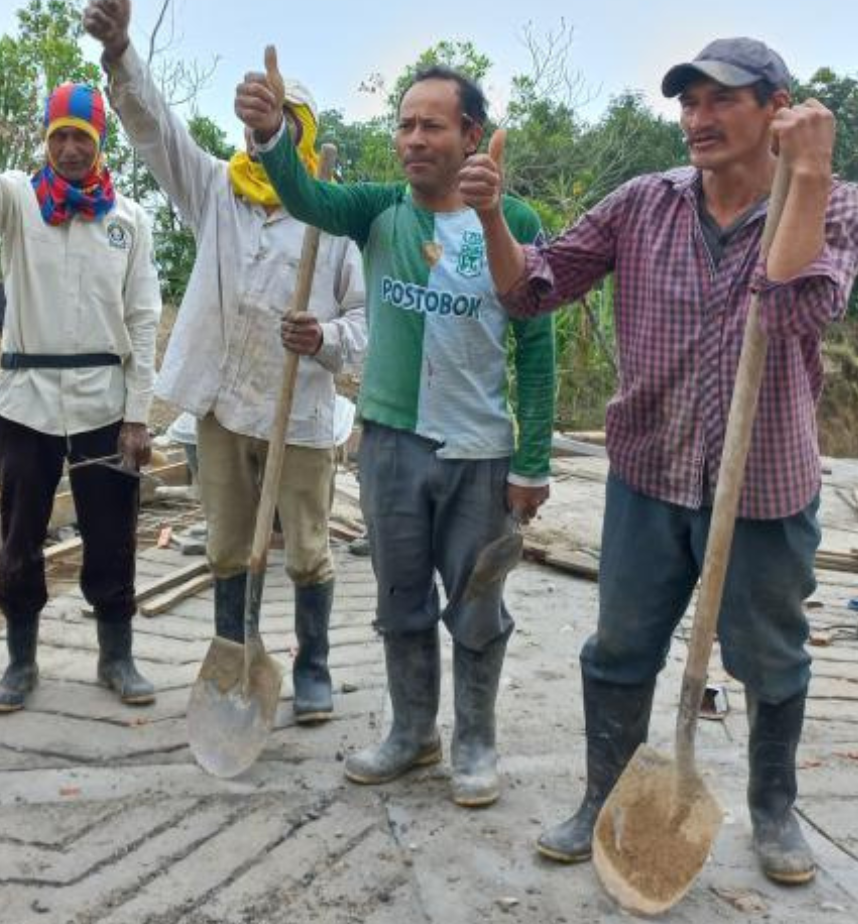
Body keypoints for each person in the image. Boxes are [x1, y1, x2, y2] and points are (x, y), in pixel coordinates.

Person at [498, 39, 858, 883]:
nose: (697, 121)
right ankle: (604, 794)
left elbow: (787, 313)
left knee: (769, 654)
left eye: (720, 102)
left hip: (765, 485)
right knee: (621, 646)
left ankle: (773, 812)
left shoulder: (839, 204)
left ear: (778, 108)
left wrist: (805, 180)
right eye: (688, 103)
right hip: (650, 472)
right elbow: (535, 288)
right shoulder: (644, 203)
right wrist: (493, 221)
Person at [237, 60, 556, 806]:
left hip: (479, 453)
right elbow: (306, 195)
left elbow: (538, 346)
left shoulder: (518, 222)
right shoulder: (380, 210)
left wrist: (533, 461)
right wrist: (271, 135)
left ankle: (475, 739)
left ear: (471, 135)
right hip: (389, 445)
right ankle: (415, 733)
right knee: (399, 598)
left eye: (432, 125)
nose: (413, 139)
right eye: (405, 124)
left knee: (477, 604)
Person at [85, 0, 367, 724]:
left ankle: (314, 669)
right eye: (252, 124)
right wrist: (121, 53)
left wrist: (326, 339)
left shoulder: (331, 217)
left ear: (302, 133)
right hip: (221, 404)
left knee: (306, 549)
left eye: (276, 124)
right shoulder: (217, 190)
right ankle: (233, 660)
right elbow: (156, 131)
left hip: (298, 415)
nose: (256, 137)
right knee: (227, 547)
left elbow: (369, 325)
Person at [0, 84, 162, 712]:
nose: (69, 150)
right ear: (46, 141)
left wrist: (138, 415)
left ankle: (116, 657)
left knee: (111, 532)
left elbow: (144, 320)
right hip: (26, 403)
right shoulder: (20, 201)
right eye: (59, 137)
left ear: (99, 144)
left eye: (82, 139)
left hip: (104, 403)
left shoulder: (130, 221)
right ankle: (20, 662)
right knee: (19, 536)